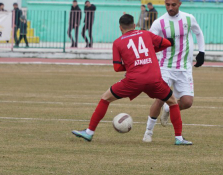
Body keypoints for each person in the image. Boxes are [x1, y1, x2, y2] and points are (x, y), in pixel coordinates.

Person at [71, 14, 191, 145]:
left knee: (105, 98)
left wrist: (132, 64)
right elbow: (167, 43)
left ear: (120, 28)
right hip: (154, 79)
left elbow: (117, 67)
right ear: (134, 26)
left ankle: (89, 132)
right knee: (173, 102)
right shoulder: (146, 34)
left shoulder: (117, 42)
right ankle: (179, 138)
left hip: (133, 80)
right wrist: (151, 51)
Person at [144, 0, 205, 140]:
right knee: (159, 99)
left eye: (173, 5)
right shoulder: (159, 22)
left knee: (187, 102)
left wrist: (202, 52)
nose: (170, 8)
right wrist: (161, 43)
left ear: (179, 4)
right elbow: (149, 42)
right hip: (165, 67)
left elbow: (199, 33)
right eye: (167, 4)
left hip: (184, 68)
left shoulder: (189, 19)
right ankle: (148, 133)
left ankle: (168, 107)